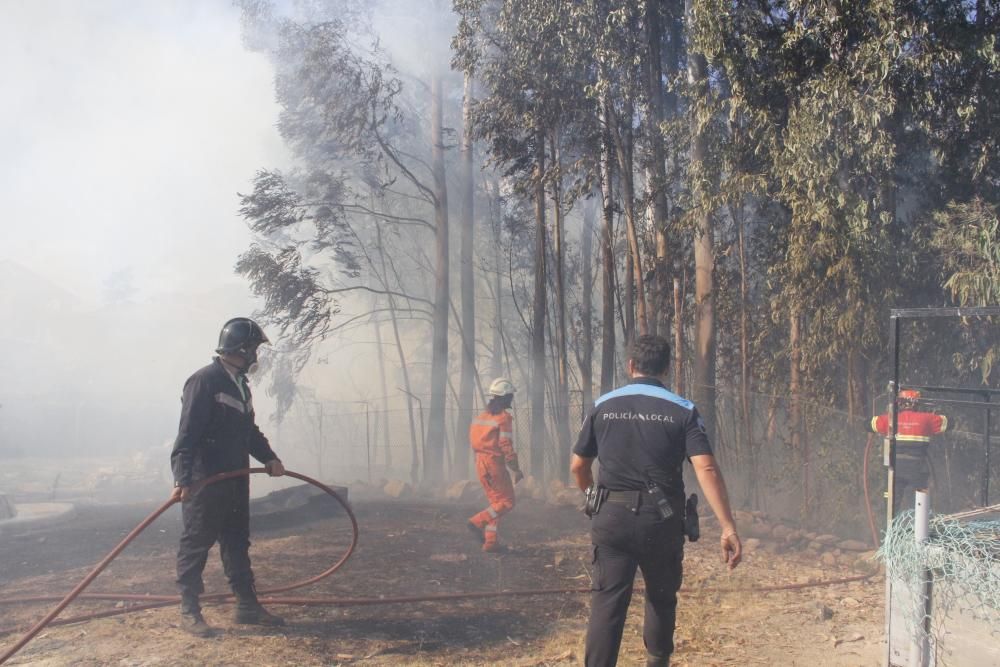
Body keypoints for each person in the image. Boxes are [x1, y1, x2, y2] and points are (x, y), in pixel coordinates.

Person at [570, 335, 742, 667]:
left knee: (607, 604)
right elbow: (705, 466)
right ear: (667, 368)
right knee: (661, 598)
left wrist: (592, 497)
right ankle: (657, 660)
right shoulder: (683, 410)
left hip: (611, 517)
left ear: (630, 365)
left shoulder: (603, 405)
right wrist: (727, 527)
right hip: (661, 521)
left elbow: (578, 466)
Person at [170, 317, 287, 637]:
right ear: (241, 349)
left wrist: (270, 458)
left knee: (236, 542)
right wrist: (183, 479)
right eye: (253, 349)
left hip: (235, 479)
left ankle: (247, 606)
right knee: (197, 543)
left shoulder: (240, 385)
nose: (256, 357)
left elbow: (248, 432)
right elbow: (187, 436)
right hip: (205, 480)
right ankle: (189, 610)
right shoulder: (204, 381)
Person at [466, 378, 524, 553]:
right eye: (510, 396)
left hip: (480, 463)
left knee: (495, 504)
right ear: (504, 397)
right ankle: (476, 522)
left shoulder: (480, 418)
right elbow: (506, 444)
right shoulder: (503, 418)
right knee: (507, 502)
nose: (512, 398)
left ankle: (490, 542)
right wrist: (516, 469)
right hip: (494, 464)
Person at [871, 389, 948, 508]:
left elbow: (868, 424)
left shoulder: (890, 419)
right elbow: (949, 423)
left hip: (895, 468)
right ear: (917, 404)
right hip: (918, 468)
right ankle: (918, 524)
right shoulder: (927, 419)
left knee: (890, 505)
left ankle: (890, 525)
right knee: (919, 504)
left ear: (900, 403)